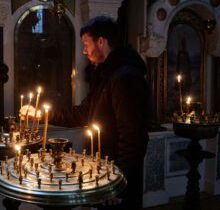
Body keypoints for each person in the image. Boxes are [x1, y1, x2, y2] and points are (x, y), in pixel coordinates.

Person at [22, 16, 149, 210]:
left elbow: (133, 138)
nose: (84, 50)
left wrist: (118, 186)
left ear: (101, 42)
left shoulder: (126, 78)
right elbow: (83, 113)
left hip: (116, 181)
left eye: (86, 43)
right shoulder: (106, 75)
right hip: (103, 172)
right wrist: (40, 114)